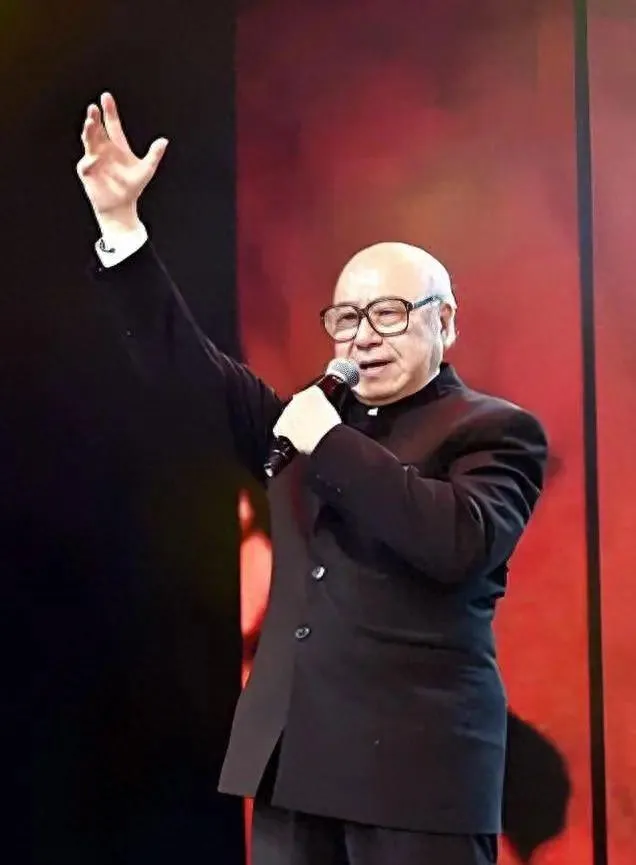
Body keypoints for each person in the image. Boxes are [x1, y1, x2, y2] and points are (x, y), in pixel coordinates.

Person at [77, 92, 548, 865]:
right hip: (293, 766)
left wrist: (327, 440)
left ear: (446, 321)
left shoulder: (492, 430)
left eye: (389, 314)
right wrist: (122, 229)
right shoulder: (307, 421)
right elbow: (187, 372)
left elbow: (456, 540)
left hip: (416, 776)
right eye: (347, 318)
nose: (364, 337)